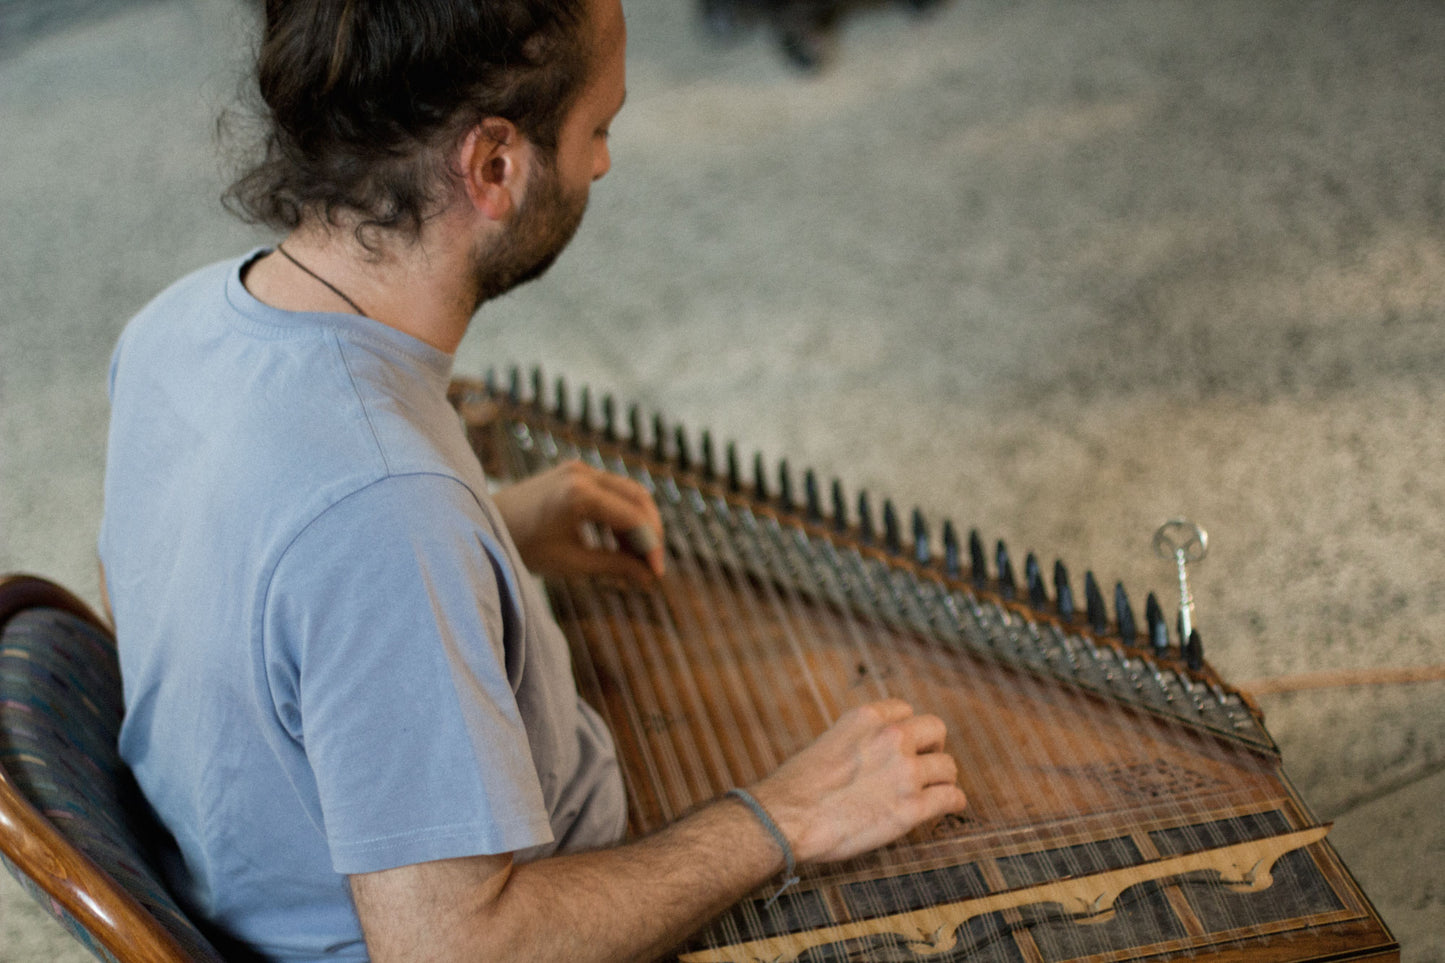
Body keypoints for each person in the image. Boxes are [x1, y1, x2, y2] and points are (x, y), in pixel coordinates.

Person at [98, 0, 969, 960]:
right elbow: (454, 950)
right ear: (496, 166)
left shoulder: (178, 324)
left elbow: (219, 588)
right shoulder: (386, 514)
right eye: (598, 128)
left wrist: (492, 540)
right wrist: (781, 817)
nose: (601, 162)